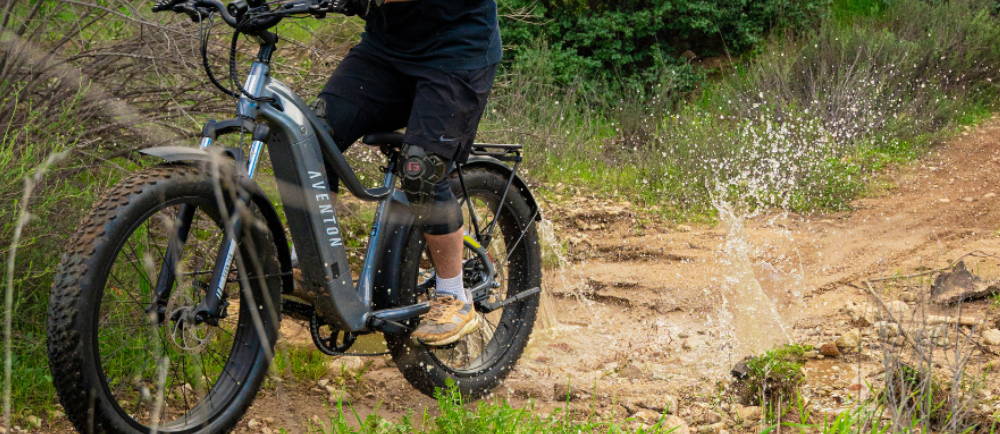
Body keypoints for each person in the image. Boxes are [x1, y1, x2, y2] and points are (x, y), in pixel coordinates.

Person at [316, 0, 501, 345]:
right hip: (384, 53)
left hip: (456, 53)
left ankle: (453, 295)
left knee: (421, 170)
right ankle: (314, 266)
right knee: (312, 136)